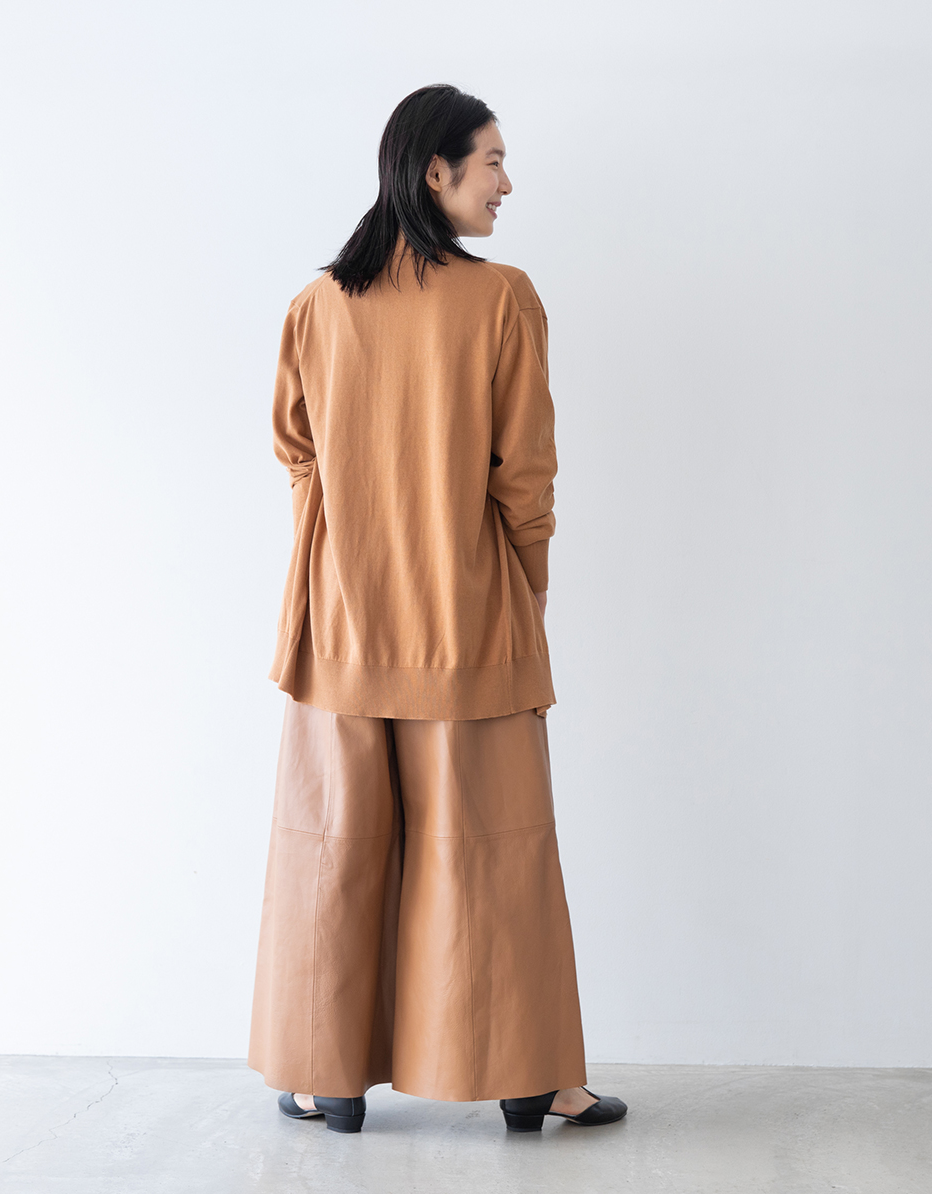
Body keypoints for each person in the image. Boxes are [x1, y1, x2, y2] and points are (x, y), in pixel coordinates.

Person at [247, 83, 627, 1135]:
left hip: (341, 628)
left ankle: (329, 1078)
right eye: (493, 160)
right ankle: (532, 1079)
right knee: (493, 857)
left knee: (336, 851)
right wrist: (527, 587)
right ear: (436, 170)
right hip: (469, 629)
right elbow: (525, 475)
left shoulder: (317, 306)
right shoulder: (503, 299)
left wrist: (345, 554)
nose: (507, 183)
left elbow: (295, 452)